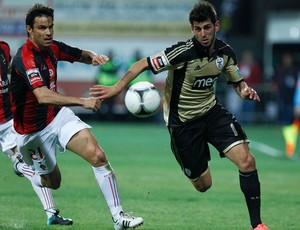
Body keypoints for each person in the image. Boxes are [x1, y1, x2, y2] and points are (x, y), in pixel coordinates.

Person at [90, 1, 268, 229]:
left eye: (206, 27)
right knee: (204, 185)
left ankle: (257, 225)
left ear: (216, 26)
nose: (202, 34)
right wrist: (116, 88)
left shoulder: (225, 53)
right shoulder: (182, 52)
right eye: (197, 29)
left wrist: (245, 91)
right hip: (183, 124)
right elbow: (141, 64)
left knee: (247, 161)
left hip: (212, 113)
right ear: (192, 29)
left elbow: (237, 82)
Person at [10, 4, 143, 230]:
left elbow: (78, 54)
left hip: (57, 117)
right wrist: (83, 101)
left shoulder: (53, 48)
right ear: (29, 30)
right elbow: (42, 95)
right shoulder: (25, 59)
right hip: (32, 133)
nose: (48, 32)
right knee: (52, 183)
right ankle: (22, 166)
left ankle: (118, 217)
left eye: (51, 27)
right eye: (42, 28)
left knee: (98, 156)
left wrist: (94, 57)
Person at [0, 40, 72, 226]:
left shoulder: (4, 48)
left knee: (35, 162)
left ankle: (51, 214)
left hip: (9, 119)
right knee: (31, 163)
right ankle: (19, 167)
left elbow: (11, 70)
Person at [272, 52, 299, 158]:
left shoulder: (295, 71)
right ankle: (290, 148)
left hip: (294, 102)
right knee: (287, 124)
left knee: (293, 124)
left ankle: (291, 147)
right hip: (284, 100)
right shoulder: (280, 70)